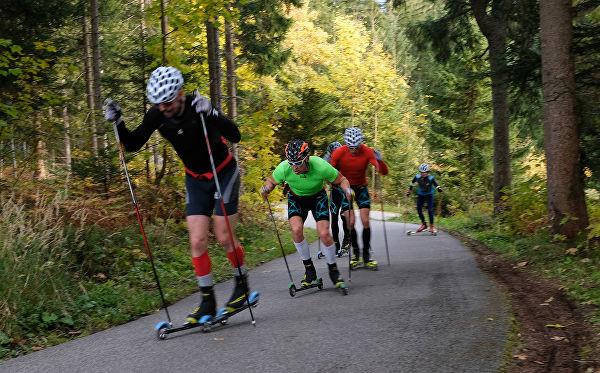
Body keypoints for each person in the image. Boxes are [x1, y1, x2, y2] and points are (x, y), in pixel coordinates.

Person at [104, 66, 250, 324]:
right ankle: (207, 301)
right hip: (195, 178)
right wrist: (119, 122)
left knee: (224, 235)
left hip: (223, 172)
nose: (164, 108)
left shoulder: (199, 107)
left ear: (180, 93)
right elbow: (134, 144)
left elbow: (234, 135)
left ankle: (242, 287)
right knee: (196, 241)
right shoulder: (157, 115)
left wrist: (214, 112)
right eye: (158, 103)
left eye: (168, 102)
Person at [261, 139, 352, 290]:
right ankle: (309, 270)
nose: (294, 168)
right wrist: (266, 189)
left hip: (318, 198)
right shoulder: (285, 168)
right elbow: (271, 181)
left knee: (324, 234)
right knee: (296, 231)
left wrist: (347, 191)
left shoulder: (320, 166)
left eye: (298, 163)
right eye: (291, 163)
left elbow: (342, 179)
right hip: (296, 198)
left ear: (307, 158)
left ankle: (333, 269)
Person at [329, 127, 389, 269]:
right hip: (346, 187)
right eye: (351, 147)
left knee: (365, 220)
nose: (354, 150)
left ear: (360, 144)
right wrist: (337, 181)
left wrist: (380, 161)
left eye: (356, 147)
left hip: (361, 187)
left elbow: (384, 172)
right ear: (346, 144)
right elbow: (329, 173)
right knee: (351, 221)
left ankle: (367, 257)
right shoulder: (339, 152)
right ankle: (356, 254)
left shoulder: (367, 151)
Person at [319, 141, 350, 258]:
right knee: (333, 216)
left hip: (345, 190)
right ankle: (335, 244)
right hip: (335, 191)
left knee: (344, 216)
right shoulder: (327, 158)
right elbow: (320, 171)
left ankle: (347, 240)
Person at [406, 163, 442, 233]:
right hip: (421, 194)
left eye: (425, 172)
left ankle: (431, 226)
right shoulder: (417, 177)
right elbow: (412, 183)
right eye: (422, 172)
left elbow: (436, 184)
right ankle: (424, 224)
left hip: (429, 195)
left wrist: (439, 188)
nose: (423, 174)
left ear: (427, 172)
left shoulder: (431, 178)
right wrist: (409, 190)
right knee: (419, 210)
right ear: (420, 172)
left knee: (430, 210)